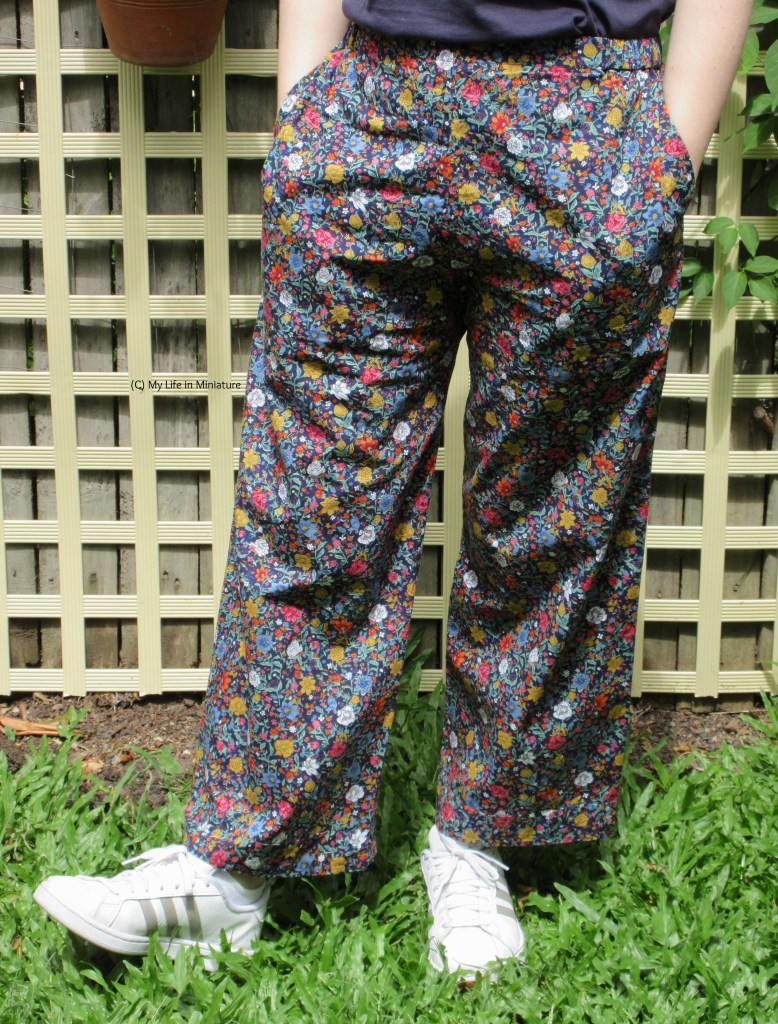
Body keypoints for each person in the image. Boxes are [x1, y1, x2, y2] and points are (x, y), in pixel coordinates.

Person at [34, 0, 753, 989]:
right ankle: (240, 860)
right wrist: (305, 109)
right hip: (368, 110)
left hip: (590, 123)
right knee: (310, 510)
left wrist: (668, 151)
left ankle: (478, 841)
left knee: (549, 519)